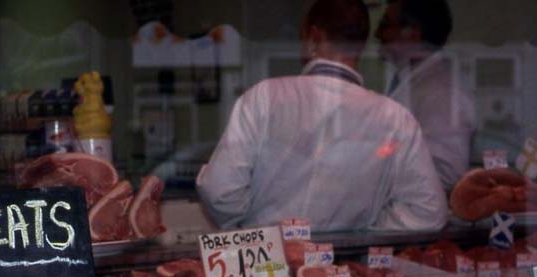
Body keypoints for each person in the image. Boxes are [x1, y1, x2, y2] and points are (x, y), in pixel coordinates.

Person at [196, 0, 447, 232]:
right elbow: (427, 212)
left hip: (265, 269)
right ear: (361, 44)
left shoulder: (264, 98)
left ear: (313, 37)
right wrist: (365, 227)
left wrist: (256, 229)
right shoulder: (396, 118)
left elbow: (220, 192)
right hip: (347, 273)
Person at [377, 0, 476, 190]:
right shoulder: (410, 80)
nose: (377, 34)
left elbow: (447, 174)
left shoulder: (442, 91)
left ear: (413, 32)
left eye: (385, 25)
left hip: (422, 215)